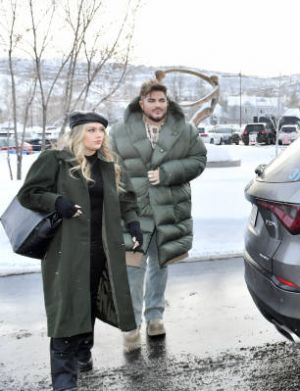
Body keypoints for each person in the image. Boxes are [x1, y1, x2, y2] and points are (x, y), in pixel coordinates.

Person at [17, 112, 143, 391]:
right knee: (66, 309)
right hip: (67, 250)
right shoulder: (56, 160)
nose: (98, 135)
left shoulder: (110, 162)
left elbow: (126, 198)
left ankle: (83, 352)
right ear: (77, 133)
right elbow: (29, 193)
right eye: (91, 130)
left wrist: (133, 223)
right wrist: (56, 200)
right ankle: (64, 382)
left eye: (101, 130)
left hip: (103, 249)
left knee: (89, 299)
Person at [111, 78, 207, 351]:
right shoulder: (119, 131)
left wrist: (166, 173)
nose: (157, 105)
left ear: (168, 102)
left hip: (167, 209)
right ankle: (131, 328)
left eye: (161, 100)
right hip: (133, 212)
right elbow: (111, 168)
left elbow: (199, 160)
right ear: (141, 103)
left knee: (160, 265)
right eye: (151, 100)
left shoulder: (185, 130)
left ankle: (155, 317)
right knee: (132, 269)